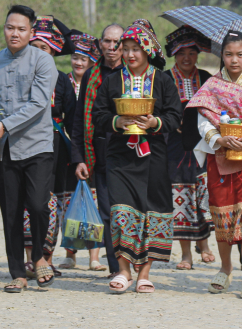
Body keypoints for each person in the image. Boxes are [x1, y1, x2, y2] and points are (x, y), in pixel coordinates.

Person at [92, 19, 183, 294]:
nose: (130, 54)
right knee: (120, 211)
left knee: (152, 211)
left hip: (153, 154)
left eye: (136, 49)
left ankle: (145, 272)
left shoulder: (163, 80)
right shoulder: (112, 81)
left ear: (147, 51)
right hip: (119, 155)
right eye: (126, 48)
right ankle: (123, 270)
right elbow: (98, 115)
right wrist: (116, 122)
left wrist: (154, 122)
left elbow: (175, 115)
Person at [190, 30, 242, 299]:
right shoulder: (211, 85)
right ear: (221, 56)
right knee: (222, 213)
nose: (234, 60)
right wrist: (219, 138)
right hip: (219, 156)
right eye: (228, 55)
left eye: (240, 55)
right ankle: (225, 268)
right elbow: (202, 121)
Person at [0, 5, 57, 293]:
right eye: (10, 27)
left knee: (39, 205)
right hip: (4, 150)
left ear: (31, 31)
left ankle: (38, 255)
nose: (14, 33)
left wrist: (5, 125)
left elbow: (39, 103)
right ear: (4, 28)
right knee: (11, 211)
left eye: (21, 29)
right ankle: (17, 272)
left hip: (37, 145)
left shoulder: (43, 61)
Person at [23, 16, 77, 276]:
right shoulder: (20, 75)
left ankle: (46, 256)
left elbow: (73, 118)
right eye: (34, 47)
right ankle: (27, 257)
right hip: (24, 141)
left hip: (54, 145)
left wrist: (79, 157)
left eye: (44, 48)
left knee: (51, 201)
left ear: (53, 52)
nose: (38, 53)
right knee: (28, 200)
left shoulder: (62, 81)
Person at [71, 23, 125, 276]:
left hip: (131, 152)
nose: (112, 48)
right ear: (100, 44)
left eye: (117, 43)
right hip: (100, 153)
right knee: (107, 212)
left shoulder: (134, 74)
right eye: (107, 42)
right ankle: (116, 268)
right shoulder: (92, 76)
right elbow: (80, 120)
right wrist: (79, 157)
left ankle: (134, 263)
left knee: (130, 209)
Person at [163, 26, 215, 270]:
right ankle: (186, 254)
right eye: (182, 53)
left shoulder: (206, 78)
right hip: (173, 145)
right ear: (174, 54)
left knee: (203, 192)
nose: (187, 58)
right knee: (180, 196)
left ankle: (204, 244)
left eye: (192, 53)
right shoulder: (163, 79)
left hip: (203, 143)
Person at [57, 32, 105, 271]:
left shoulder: (98, 82)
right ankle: (70, 253)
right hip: (69, 148)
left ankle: (94, 256)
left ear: (92, 62)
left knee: (93, 202)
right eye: (75, 57)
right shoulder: (64, 82)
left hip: (93, 148)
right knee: (70, 201)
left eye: (83, 59)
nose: (78, 62)